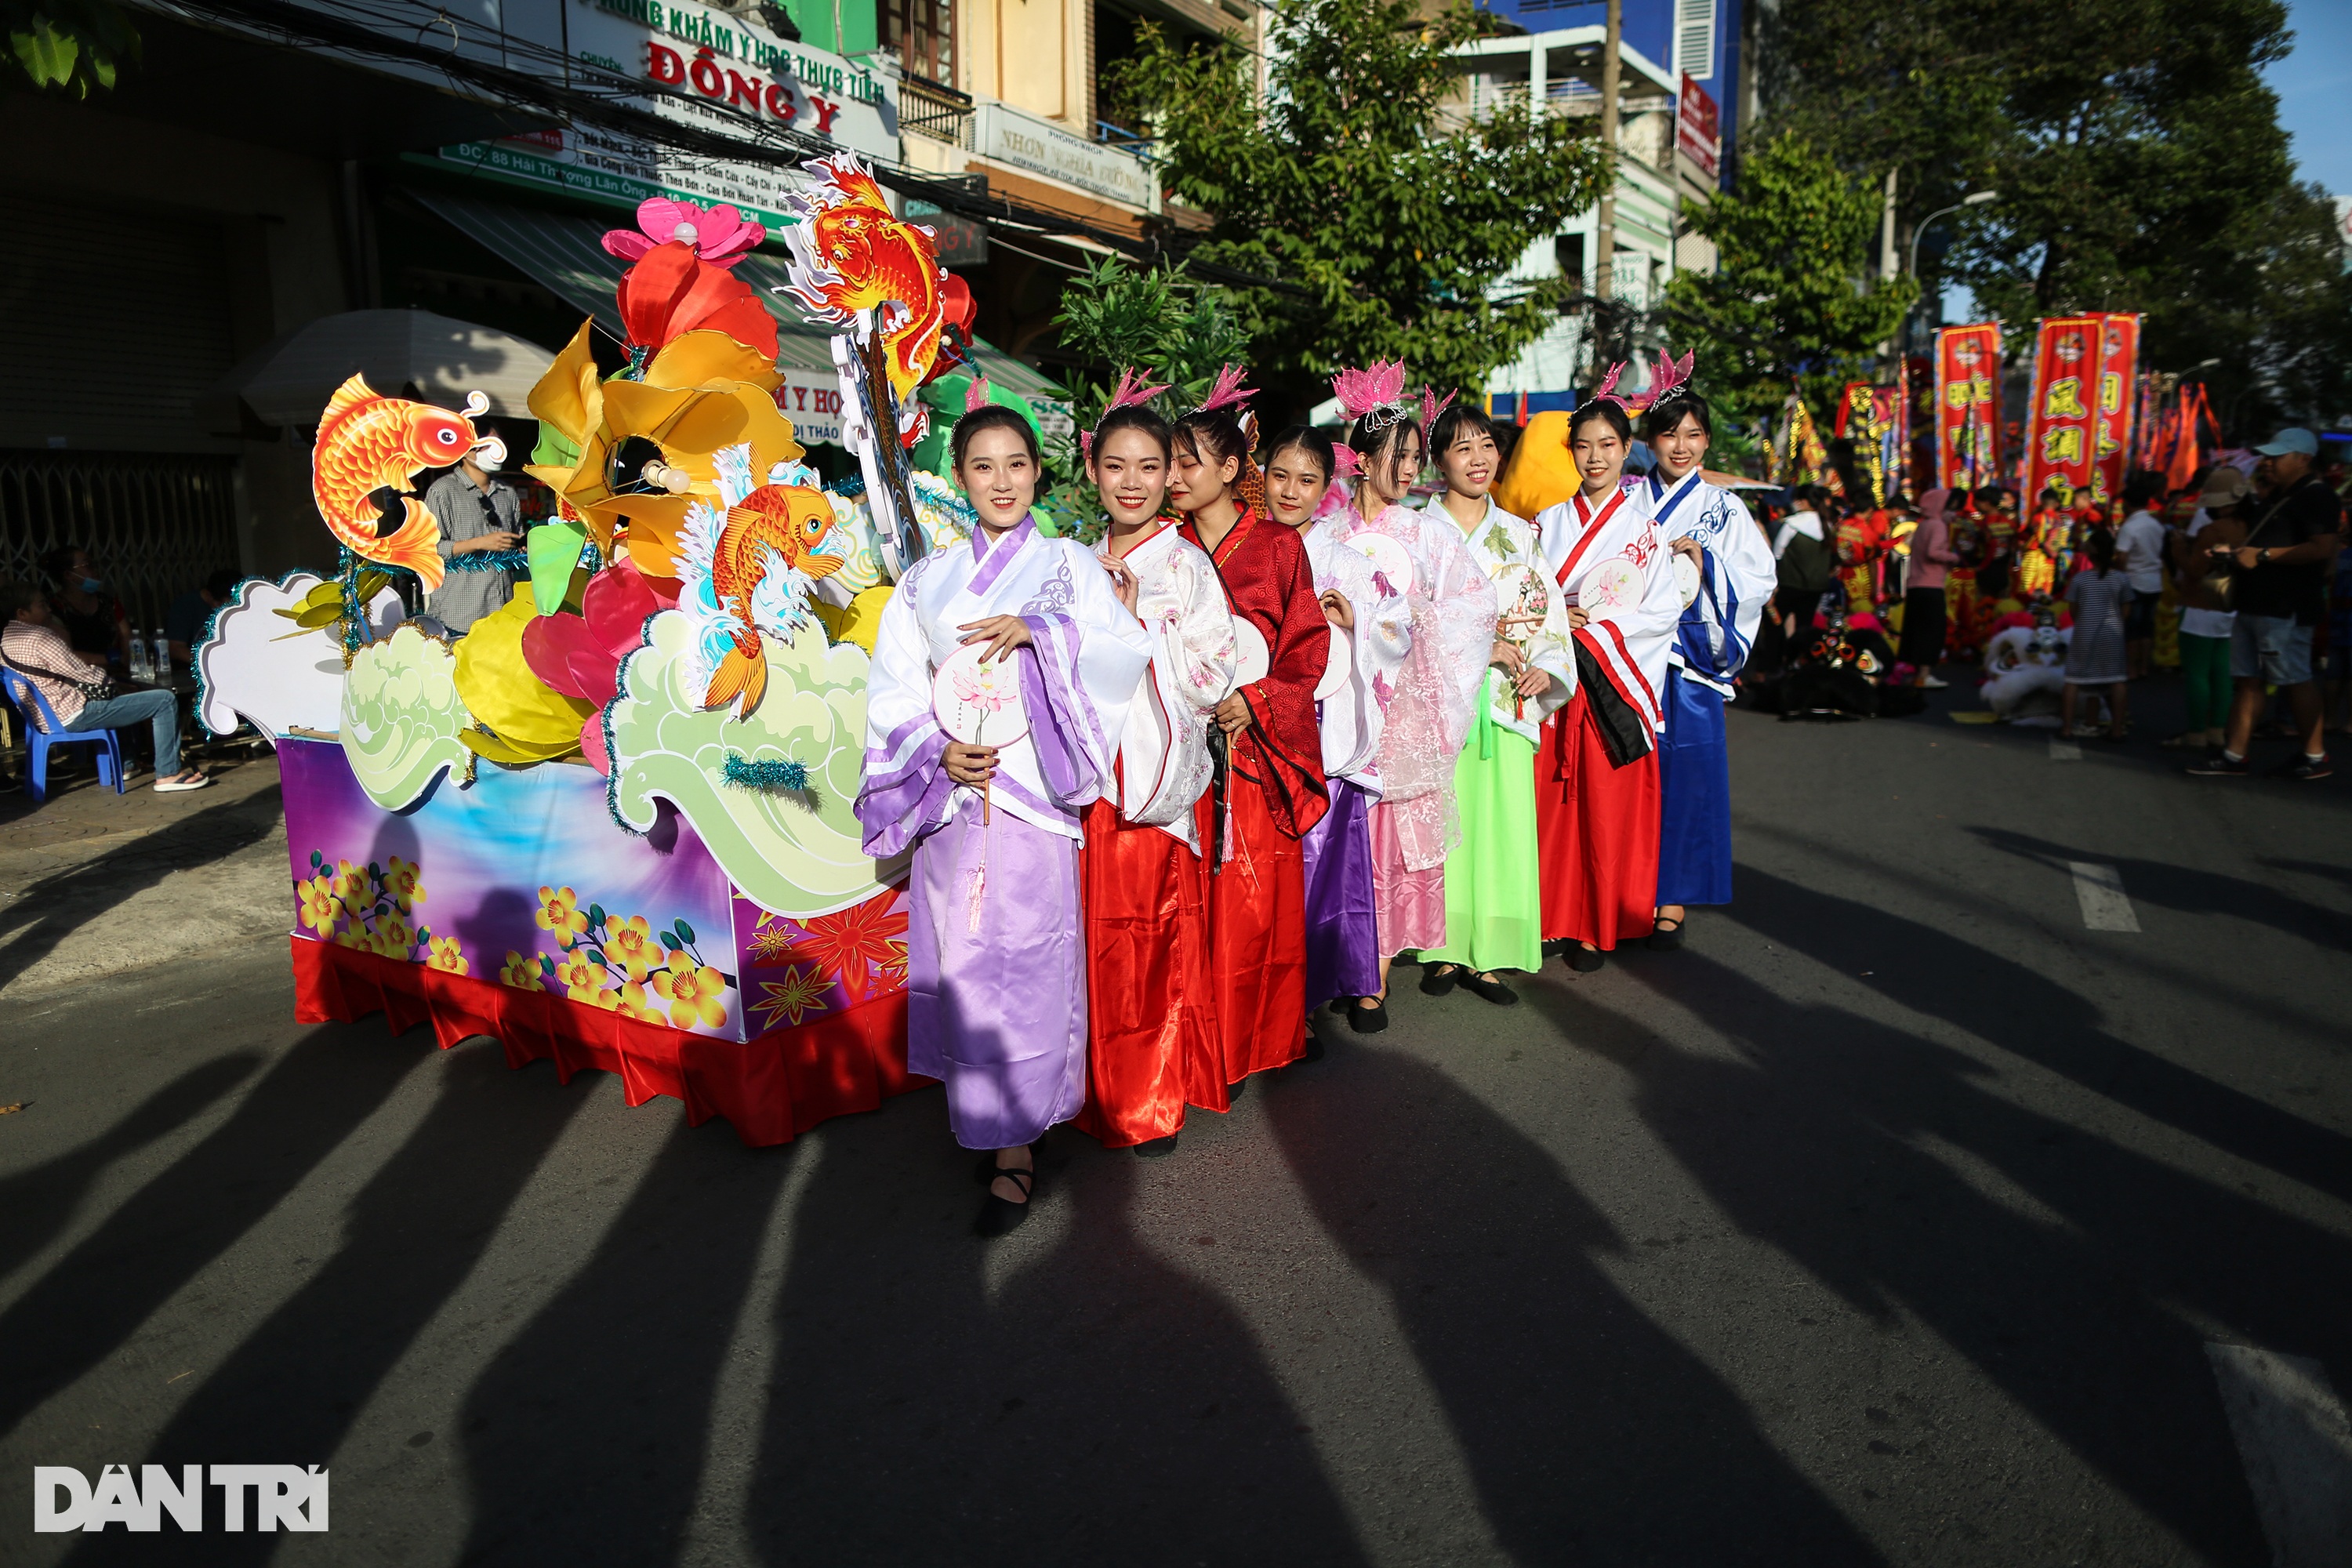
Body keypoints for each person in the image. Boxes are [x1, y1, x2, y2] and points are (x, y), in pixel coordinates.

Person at [855, 405, 1152, 1236]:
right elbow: (894, 686)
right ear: (959, 477)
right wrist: (935, 753)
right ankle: (987, 1116)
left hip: (1034, 799)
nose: (1002, 481)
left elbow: (1122, 650)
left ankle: (1020, 1137)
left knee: (1028, 958)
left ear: (1038, 472)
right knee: (968, 958)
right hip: (959, 799)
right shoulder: (925, 583)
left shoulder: (1069, 568)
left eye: (1017, 464)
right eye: (983, 467)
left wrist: (1042, 632)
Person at [1072, 384, 1239, 1156]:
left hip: (1150, 777)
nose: (1132, 482)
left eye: (1148, 466)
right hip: (1078, 780)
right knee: (1079, 938)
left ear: (1170, 472)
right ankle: (1080, 1086)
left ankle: (1149, 1090)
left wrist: (1136, 631)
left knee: (1146, 938)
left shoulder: (1186, 567)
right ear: (1091, 469)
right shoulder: (1068, 564)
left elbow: (1211, 672)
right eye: (1116, 466)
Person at [1312, 368, 1492, 1029]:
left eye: (1417, 458)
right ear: (1360, 458)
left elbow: (1475, 610)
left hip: (1403, 706)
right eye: (1400, 457)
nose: (1412, 470)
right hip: (1339, 706)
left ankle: (1374, 972)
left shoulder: (1428, 535)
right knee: (1338, 839)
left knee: (1385, 841)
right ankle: (1337, 955)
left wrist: (1398, 619)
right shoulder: (1323, 535)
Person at [1171, 383, 1332, 1083]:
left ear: (1232, 470)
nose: (1170, 478)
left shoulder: (1277, 547)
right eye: (1165, 465)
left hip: (1253, 750)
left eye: (1184, 463)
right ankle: (1185, 1045)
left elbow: (1307, 646)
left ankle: (1257, 1037)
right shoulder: (1160, 548)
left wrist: (1258, 698)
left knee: (1252, 899)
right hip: (1175, 748)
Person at [1415, 402, 1566, 1004]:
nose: (1478, 459)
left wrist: (1547, 666)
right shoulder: (1418, 533)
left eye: (1486, 446)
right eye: (1461, 448)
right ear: (1439, 461)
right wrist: (1481, 645)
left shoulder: (1519, 535)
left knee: (1498, 826)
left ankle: (1491, 952)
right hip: (1437, 703)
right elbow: (1406, 617)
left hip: (1502, 702)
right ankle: (1443, 944)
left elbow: (1546, 612)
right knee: (1445, 826)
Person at [1531, 392, 1679, 971]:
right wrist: (1552, 618)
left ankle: (1598, 923)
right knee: (1552, 804)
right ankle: (1549, 915)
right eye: (1585, 446)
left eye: (1608, 445)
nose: (1595, 458)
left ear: (1627, 450)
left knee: (1605, 808)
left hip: (1611, 679)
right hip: (1559, 680)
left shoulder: (1646, 531)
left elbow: (1662, 611)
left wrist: (1600, 631)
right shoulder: (1545, 523)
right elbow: (1528, 595)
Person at [1264, 425, 1403, 1023]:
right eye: (1280, 476)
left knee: (1319, 867)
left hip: (1326, 730)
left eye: (1307, 480)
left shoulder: (1346, 560)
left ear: (1327, 488)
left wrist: (1359, 618)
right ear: (1260, 475)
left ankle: (1312, 997)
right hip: (1260, 725)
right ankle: (1265, 999)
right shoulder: (1241, 547)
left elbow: (1399, 628)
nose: (1291, 491)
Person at [1640, 379, 1776, 946]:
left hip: (1687, 666)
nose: (1680, 446)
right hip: (1629, 659)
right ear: (1649, 439)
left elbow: (1758, 580)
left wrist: (1708, 564)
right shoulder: (1623, 500)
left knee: (1685, 781)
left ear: (1708, 443)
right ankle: (1622, 887)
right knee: (1626, 777)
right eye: (1669, 433)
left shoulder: (1725, 509)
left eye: (1693, 435)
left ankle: (1672, 890)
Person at [2186, 429, 2348, 780]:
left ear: (2303, 460)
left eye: (2277, 457)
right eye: (2267, 456)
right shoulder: (2281, 495)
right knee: (2248, 681)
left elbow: (2322, 548)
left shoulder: (2318, 496)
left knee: (2295, 680)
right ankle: (2234, 755)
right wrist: (2235, 556)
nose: (2267, 463)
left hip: (2285, 608)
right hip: (2256, 604)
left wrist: (2260, 554)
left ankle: (2315, 756)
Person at [2, 582, 209, 792]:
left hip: (43, 718)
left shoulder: (5, 641)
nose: (48, 609)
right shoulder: (41, 637)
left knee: (123, 699)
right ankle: (168, 773)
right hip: (71, 715)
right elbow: (80, 672)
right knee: (163, 700)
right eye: (41, 605)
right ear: (22, 613)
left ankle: (126, 763)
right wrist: (112, 682)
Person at [2163, 466, 2247, 755]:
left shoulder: (2212, 530)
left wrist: (2178, 549)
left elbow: (2194, 570)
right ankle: (2217, 731)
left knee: (2197, 673)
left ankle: (2196, 732)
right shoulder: (2247, 525)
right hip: (2230, 606)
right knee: (2222, 672)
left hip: (2200, 606)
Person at [422, 447, 524, 633]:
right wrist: (478, 543)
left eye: (498, 444)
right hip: (459, 617)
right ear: (468, 451)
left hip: (504, 614)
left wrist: (523, 545)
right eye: (488, 445)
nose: (495, 451)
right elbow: (428, 551)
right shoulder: (442, 491)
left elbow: (518, 548)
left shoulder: (508, 493)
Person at [2060, 529, 2131, 741]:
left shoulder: (2080, 580)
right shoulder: (2120, 579)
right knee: (2116, 679)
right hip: (2112, 633)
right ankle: (2117, 729)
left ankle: (2067, 729)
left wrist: (2083, 622)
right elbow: (2127, 608)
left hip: (2084, 633)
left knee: (2074, 679)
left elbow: (2073, 610)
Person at [37, 544, 131, 673]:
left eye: (94, 564)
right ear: (68, 575)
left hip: (118, 673)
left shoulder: (108, 602)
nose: (95, 571)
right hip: (80, 678)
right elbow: (66, 653)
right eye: (88, 566)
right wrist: (111, 659)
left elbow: (127, 635)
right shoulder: (54, 608)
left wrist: (127, 660)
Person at [1901, 488, 1959, 687]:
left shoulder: (1924, 525)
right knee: (1932, 630)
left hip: (1916, 584)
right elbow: (1934, 552)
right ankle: (1925, 675)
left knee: (1917, 630)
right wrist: (1954, 558)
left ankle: (1918, 674)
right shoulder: (1937, 526)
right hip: (1931, 585)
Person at [2113, 474, 2168, 678]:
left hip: (2134, 582)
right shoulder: (2156, 524)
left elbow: (2122, 557)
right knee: (2147, 628)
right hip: (2154, 582)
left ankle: (2131, 669)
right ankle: (2144, 667)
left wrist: (2118, 578)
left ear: (2127, 504)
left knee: (2132, 629)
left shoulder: (2129, 527)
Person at [1773, 487, 1837, 645]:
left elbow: (1777, 554)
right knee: (1805, 627)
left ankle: (1776, 661)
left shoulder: (1792, 524)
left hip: (1789, 584)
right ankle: (1799, 661)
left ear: (1804, 502)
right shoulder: (1828, 526)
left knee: (1775, 624)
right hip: (1815, 587)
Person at [165, 568, 241, 667]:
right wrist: (212, 665)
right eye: (224, 604)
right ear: (208, 595)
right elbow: (175, 648)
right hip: (191, 673)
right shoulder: (185, 606)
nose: (229, 609)